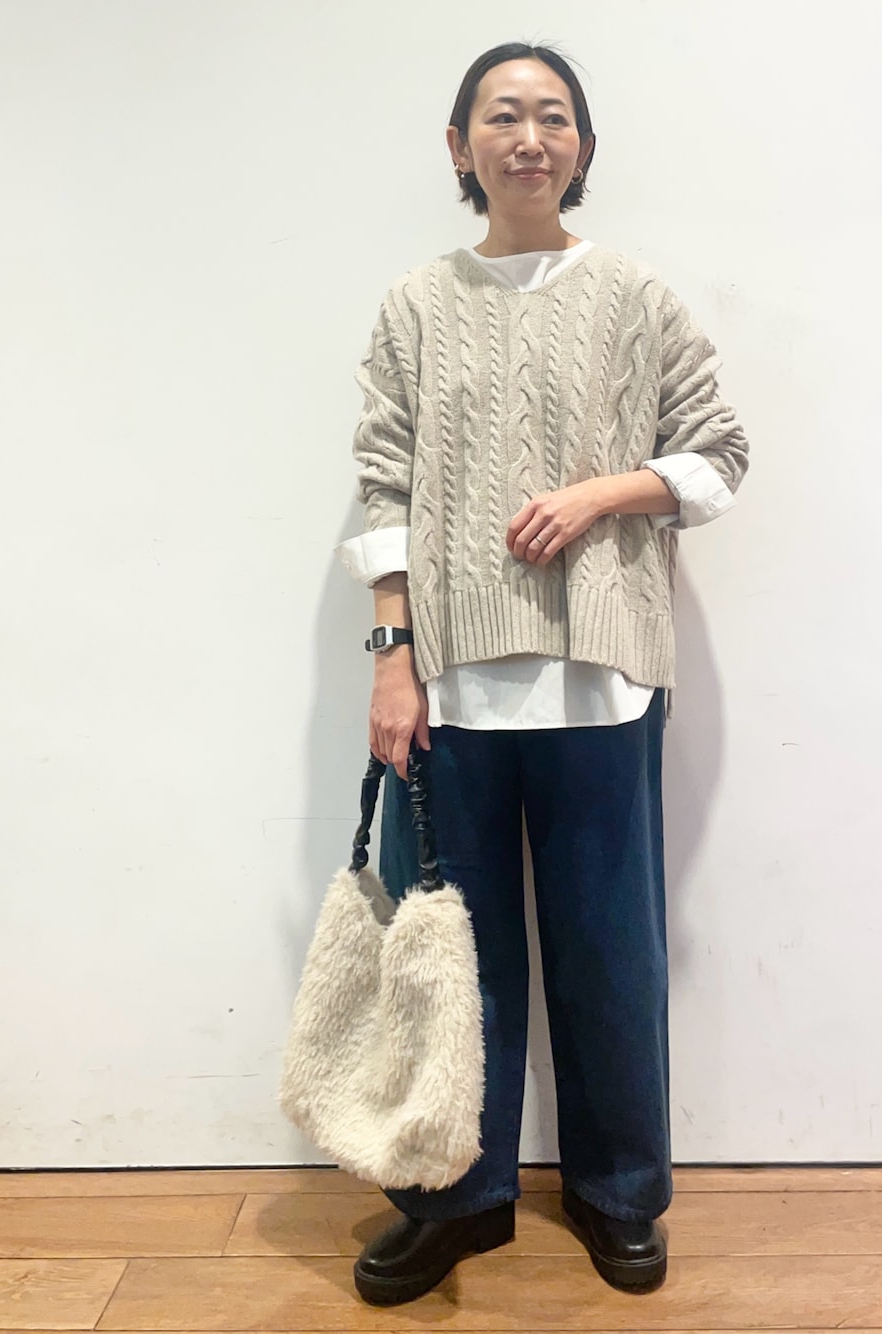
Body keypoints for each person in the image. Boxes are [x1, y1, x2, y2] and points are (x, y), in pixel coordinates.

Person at [335, 41, 749, 1306]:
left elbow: (719, 455)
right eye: (502, 116)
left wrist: (604, 493)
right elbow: (382, 480)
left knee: (608, 951)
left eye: (553, 116)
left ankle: (618, 1192)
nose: (529, 137)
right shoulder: (416, 303)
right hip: (450, 690)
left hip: (600, 679)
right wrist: (393, 658)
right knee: (451, 962)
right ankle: (452, 1196)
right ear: (459, 146)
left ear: (582, 144)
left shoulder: (635, 296)